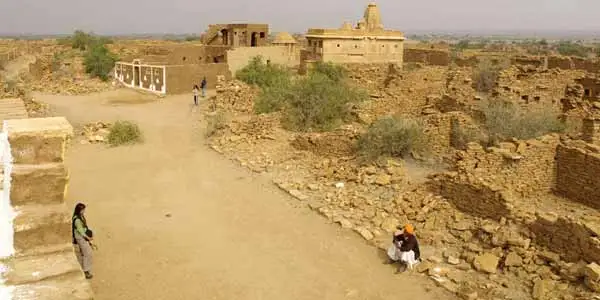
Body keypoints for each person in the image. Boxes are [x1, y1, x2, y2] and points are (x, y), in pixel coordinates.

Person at [72, 203, 95, 279]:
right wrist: (88, 238)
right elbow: (81, 231)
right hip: (80, 238)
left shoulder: (78, 216)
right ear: (80, 210)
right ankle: (86, 271)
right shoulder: (78, 220)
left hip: (80, 236)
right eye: (83, 209)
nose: (84, 211)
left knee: (84, 252)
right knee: (87, 253)